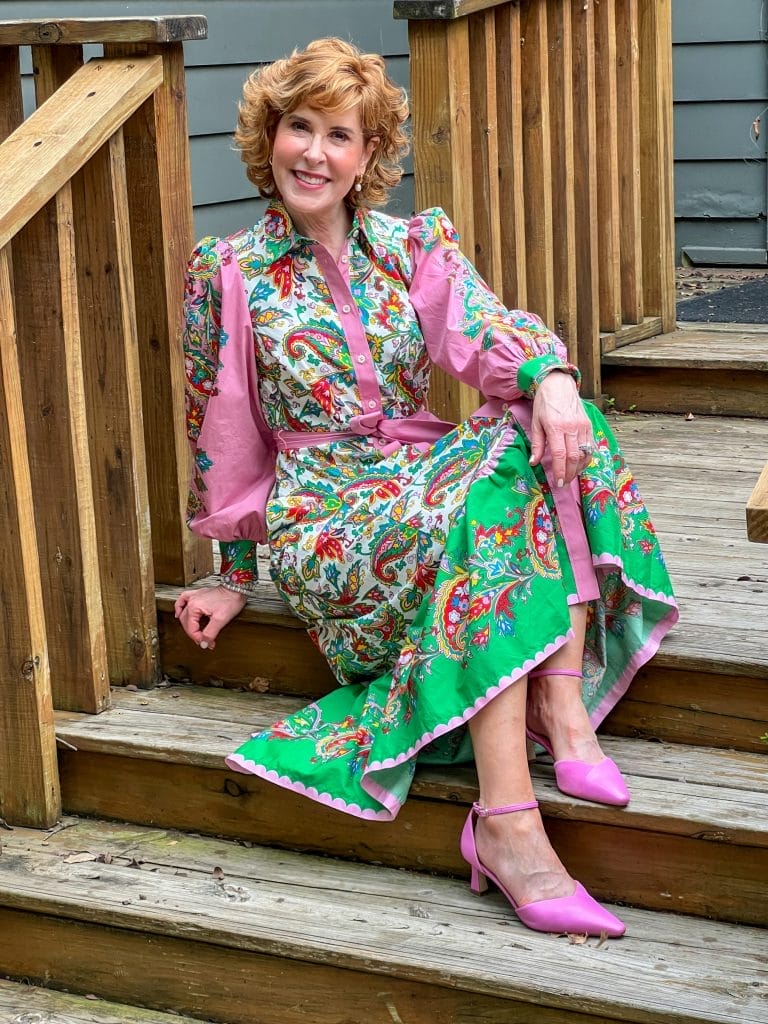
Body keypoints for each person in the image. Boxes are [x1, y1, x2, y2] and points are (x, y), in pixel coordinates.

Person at [175, 38, 678, 938]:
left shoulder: (413, 245)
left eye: (340, 135)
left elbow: (487, 335)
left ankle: (556, 714)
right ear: (269, 136)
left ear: (368, 157)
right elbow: (221, 426)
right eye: (300, 128)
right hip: (328, 517)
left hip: (424, 475)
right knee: (494, 481)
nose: (314, 154)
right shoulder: (231, 271)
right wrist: (229, 568)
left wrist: (552, 379)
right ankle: (514, 818)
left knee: (559, 418)